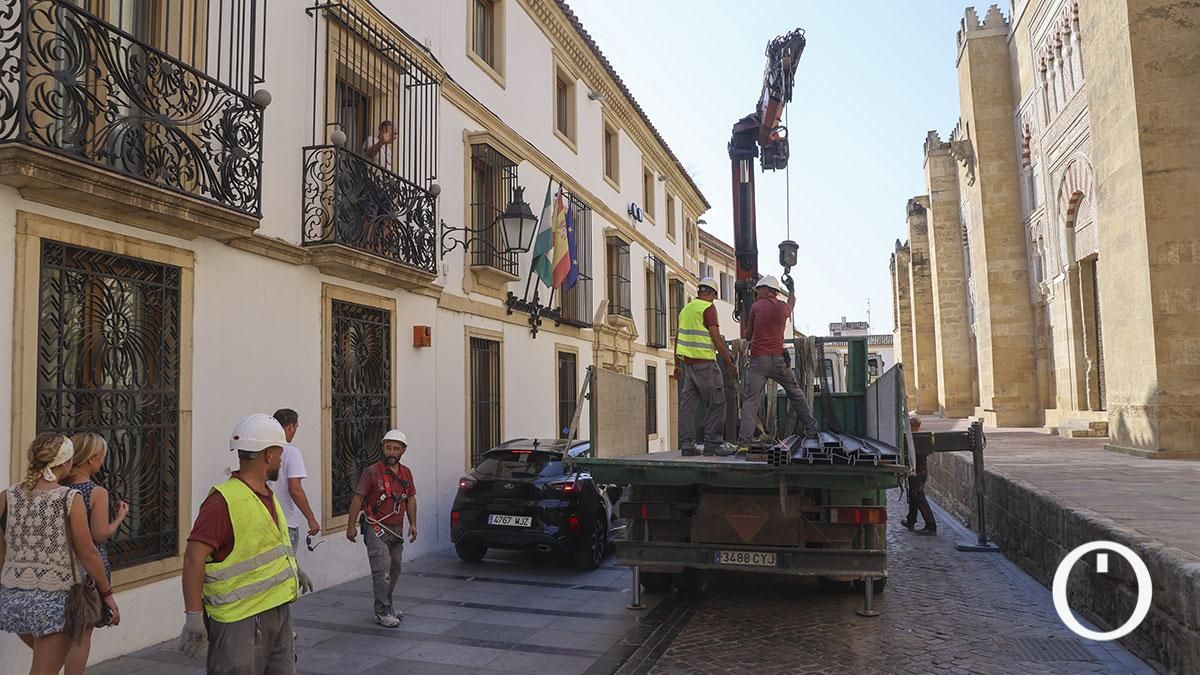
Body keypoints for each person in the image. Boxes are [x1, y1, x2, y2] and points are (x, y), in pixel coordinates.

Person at [178, 414, 313, 673]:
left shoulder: (265, 494)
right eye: (279, 452)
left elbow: (265, 545)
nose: (282, 458)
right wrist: (193, 616)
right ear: (268, 455)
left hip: (277, 611)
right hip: (239, 622)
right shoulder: (221, 502)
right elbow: (193, 558)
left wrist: (292, 567)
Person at [0, 433, 120, 675]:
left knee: (48, 664)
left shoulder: (7, 496)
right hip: (54, 601)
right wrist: (107, 594)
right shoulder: (68, 499)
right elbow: (88, 553)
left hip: (14, 599)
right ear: (65, 463)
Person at [61, 432, 129, 675]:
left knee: (62, 632)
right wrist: (119, 517)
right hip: (87, 569)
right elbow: (99, 535)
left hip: (61, 564)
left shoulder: (59, 487)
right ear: (92, 459)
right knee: (82, 634)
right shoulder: (95, 492)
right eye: (101, 455)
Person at [736, 274, 819, 447]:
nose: (756, 293)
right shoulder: (782, 308)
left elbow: (748, 334)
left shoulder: (757, 306)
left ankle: (744, 442)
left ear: (766, 290)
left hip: (759, 361)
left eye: (758, 290)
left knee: (752, 400)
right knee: (795, 393)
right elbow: (792, 303)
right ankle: (811, 428)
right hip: (779, 360)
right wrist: (791, 289)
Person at [345, 430, 417, 628]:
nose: (391, 452)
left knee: (395, 568)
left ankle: (388, 605)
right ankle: (381, 610)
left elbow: (410, 499)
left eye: (395, 448)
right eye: (388, 447)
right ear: (383, 448)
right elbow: (358, 498)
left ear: (403, 450)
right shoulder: (371, 472)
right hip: (376, 527)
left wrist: (412, 524)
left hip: (396, 529)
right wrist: (350, 526)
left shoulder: (406, 473)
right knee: (382, 570)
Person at [673, 277, 739, 456]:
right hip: (706, 365)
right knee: (717, 403)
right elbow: (716, 338)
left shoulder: (685, 310)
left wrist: (676, 364)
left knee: (687, 406)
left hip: (688, 367)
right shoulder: (708, 309)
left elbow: (679, 338)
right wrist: (729, 363)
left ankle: (687, 446)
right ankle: (714, 444)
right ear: (712, 293)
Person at [268, 409, 320, 554]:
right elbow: (295, 489)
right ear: (290, 426)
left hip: (266, 521)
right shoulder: (291, 452)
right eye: (296, 427)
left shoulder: (265, 451)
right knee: (287, 569)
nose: (295, 430)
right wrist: (311, 518)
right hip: (286, 523)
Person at [902, 416, 937, 535]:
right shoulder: (920, 438)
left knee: (919, 497)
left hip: (917, 473)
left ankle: (931, 526)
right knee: (913, 496)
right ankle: (910, 520)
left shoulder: (914, 439)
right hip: (919, 472)